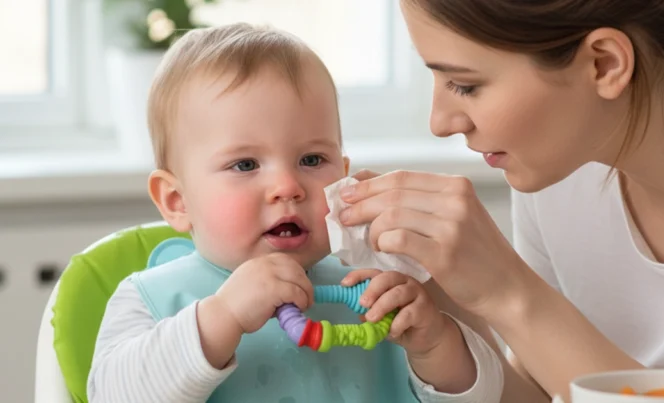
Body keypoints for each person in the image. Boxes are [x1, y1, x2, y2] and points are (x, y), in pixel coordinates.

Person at [337, 1, 664, 402]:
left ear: (604, 63)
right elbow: (545, 394)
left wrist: (507, 289)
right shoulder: (566, 156)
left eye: (465, 85)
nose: (440, 123)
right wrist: (448, 316)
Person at [86, 23, 505, 402]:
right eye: (245, 165)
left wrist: (435, 346)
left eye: (311, 160)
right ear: (177, 201)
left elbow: (492, 397)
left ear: (342, 179)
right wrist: (223, 317)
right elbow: (111, 394)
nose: (287, 187)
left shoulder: (373, 286)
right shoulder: (150, 300)